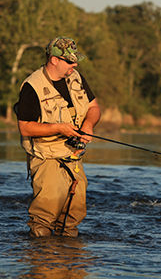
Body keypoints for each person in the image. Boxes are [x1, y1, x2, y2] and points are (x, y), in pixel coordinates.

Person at [14, 36, 101, 237]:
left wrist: (88, 124)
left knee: (74, 214)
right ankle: (42, 263)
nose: (75, 64)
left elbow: (94, 107)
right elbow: (25, 128)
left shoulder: (76, 77)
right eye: (70, 61)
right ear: (54, 59)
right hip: (46, 158)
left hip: (74, 156)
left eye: (75, 60)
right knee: (45, 215)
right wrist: (59, 129)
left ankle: (69, 262)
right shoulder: (32, 86)